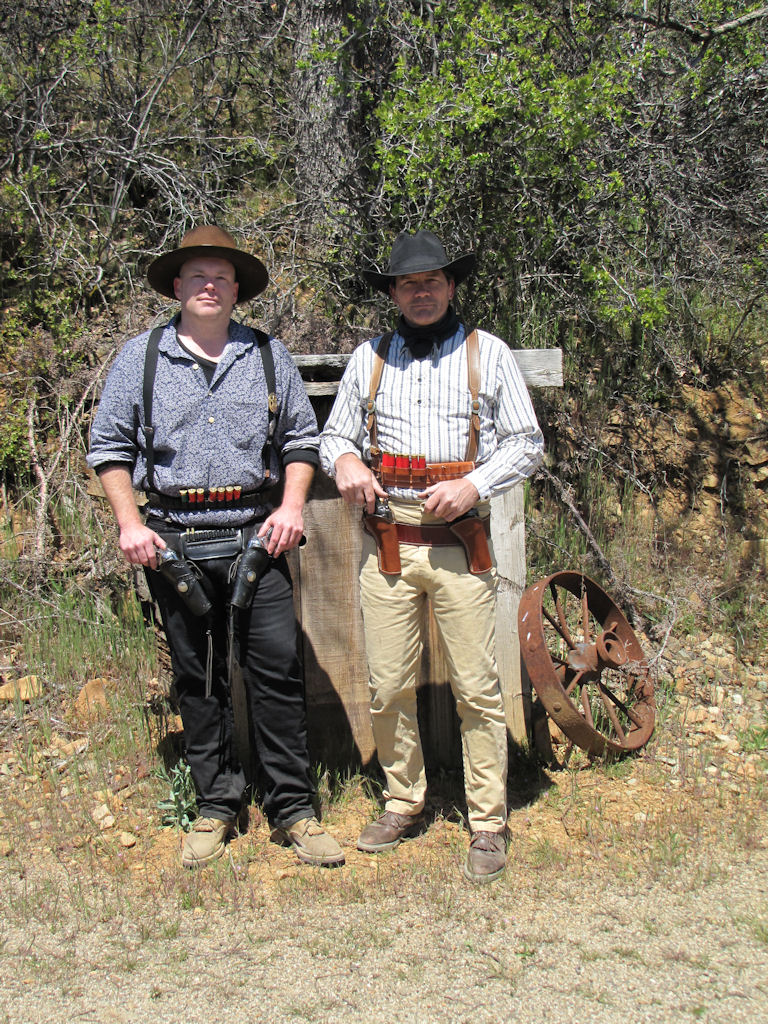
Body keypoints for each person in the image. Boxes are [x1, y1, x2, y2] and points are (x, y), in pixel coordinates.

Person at [88, 225, 344, 870]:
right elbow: (109, 447)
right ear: (177, 286)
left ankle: (294, 810)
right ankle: (215, 806)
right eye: (198, 276)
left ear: (236, 290)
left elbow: (300, 440)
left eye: (221, 277)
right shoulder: (140, 358)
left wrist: (291, 507)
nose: (209, 286)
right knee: (199, 679)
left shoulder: (267, 355)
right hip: (172, 540)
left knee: (278, 674)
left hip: (259, 537)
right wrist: (130, 524)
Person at [319, 229, 544, 883]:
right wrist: (348, 462)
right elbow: (334, 436)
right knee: (387, 685)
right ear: (393, 293)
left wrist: (475, 484)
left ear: (450, 287)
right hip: (388, 545)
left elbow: (526, 442)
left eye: (433, 281)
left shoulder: (487, 353)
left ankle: (488, 822)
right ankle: (403, 800)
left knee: (477, 687)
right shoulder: (369, 359)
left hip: (459, 543)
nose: (422, 292)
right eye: (409, 284)